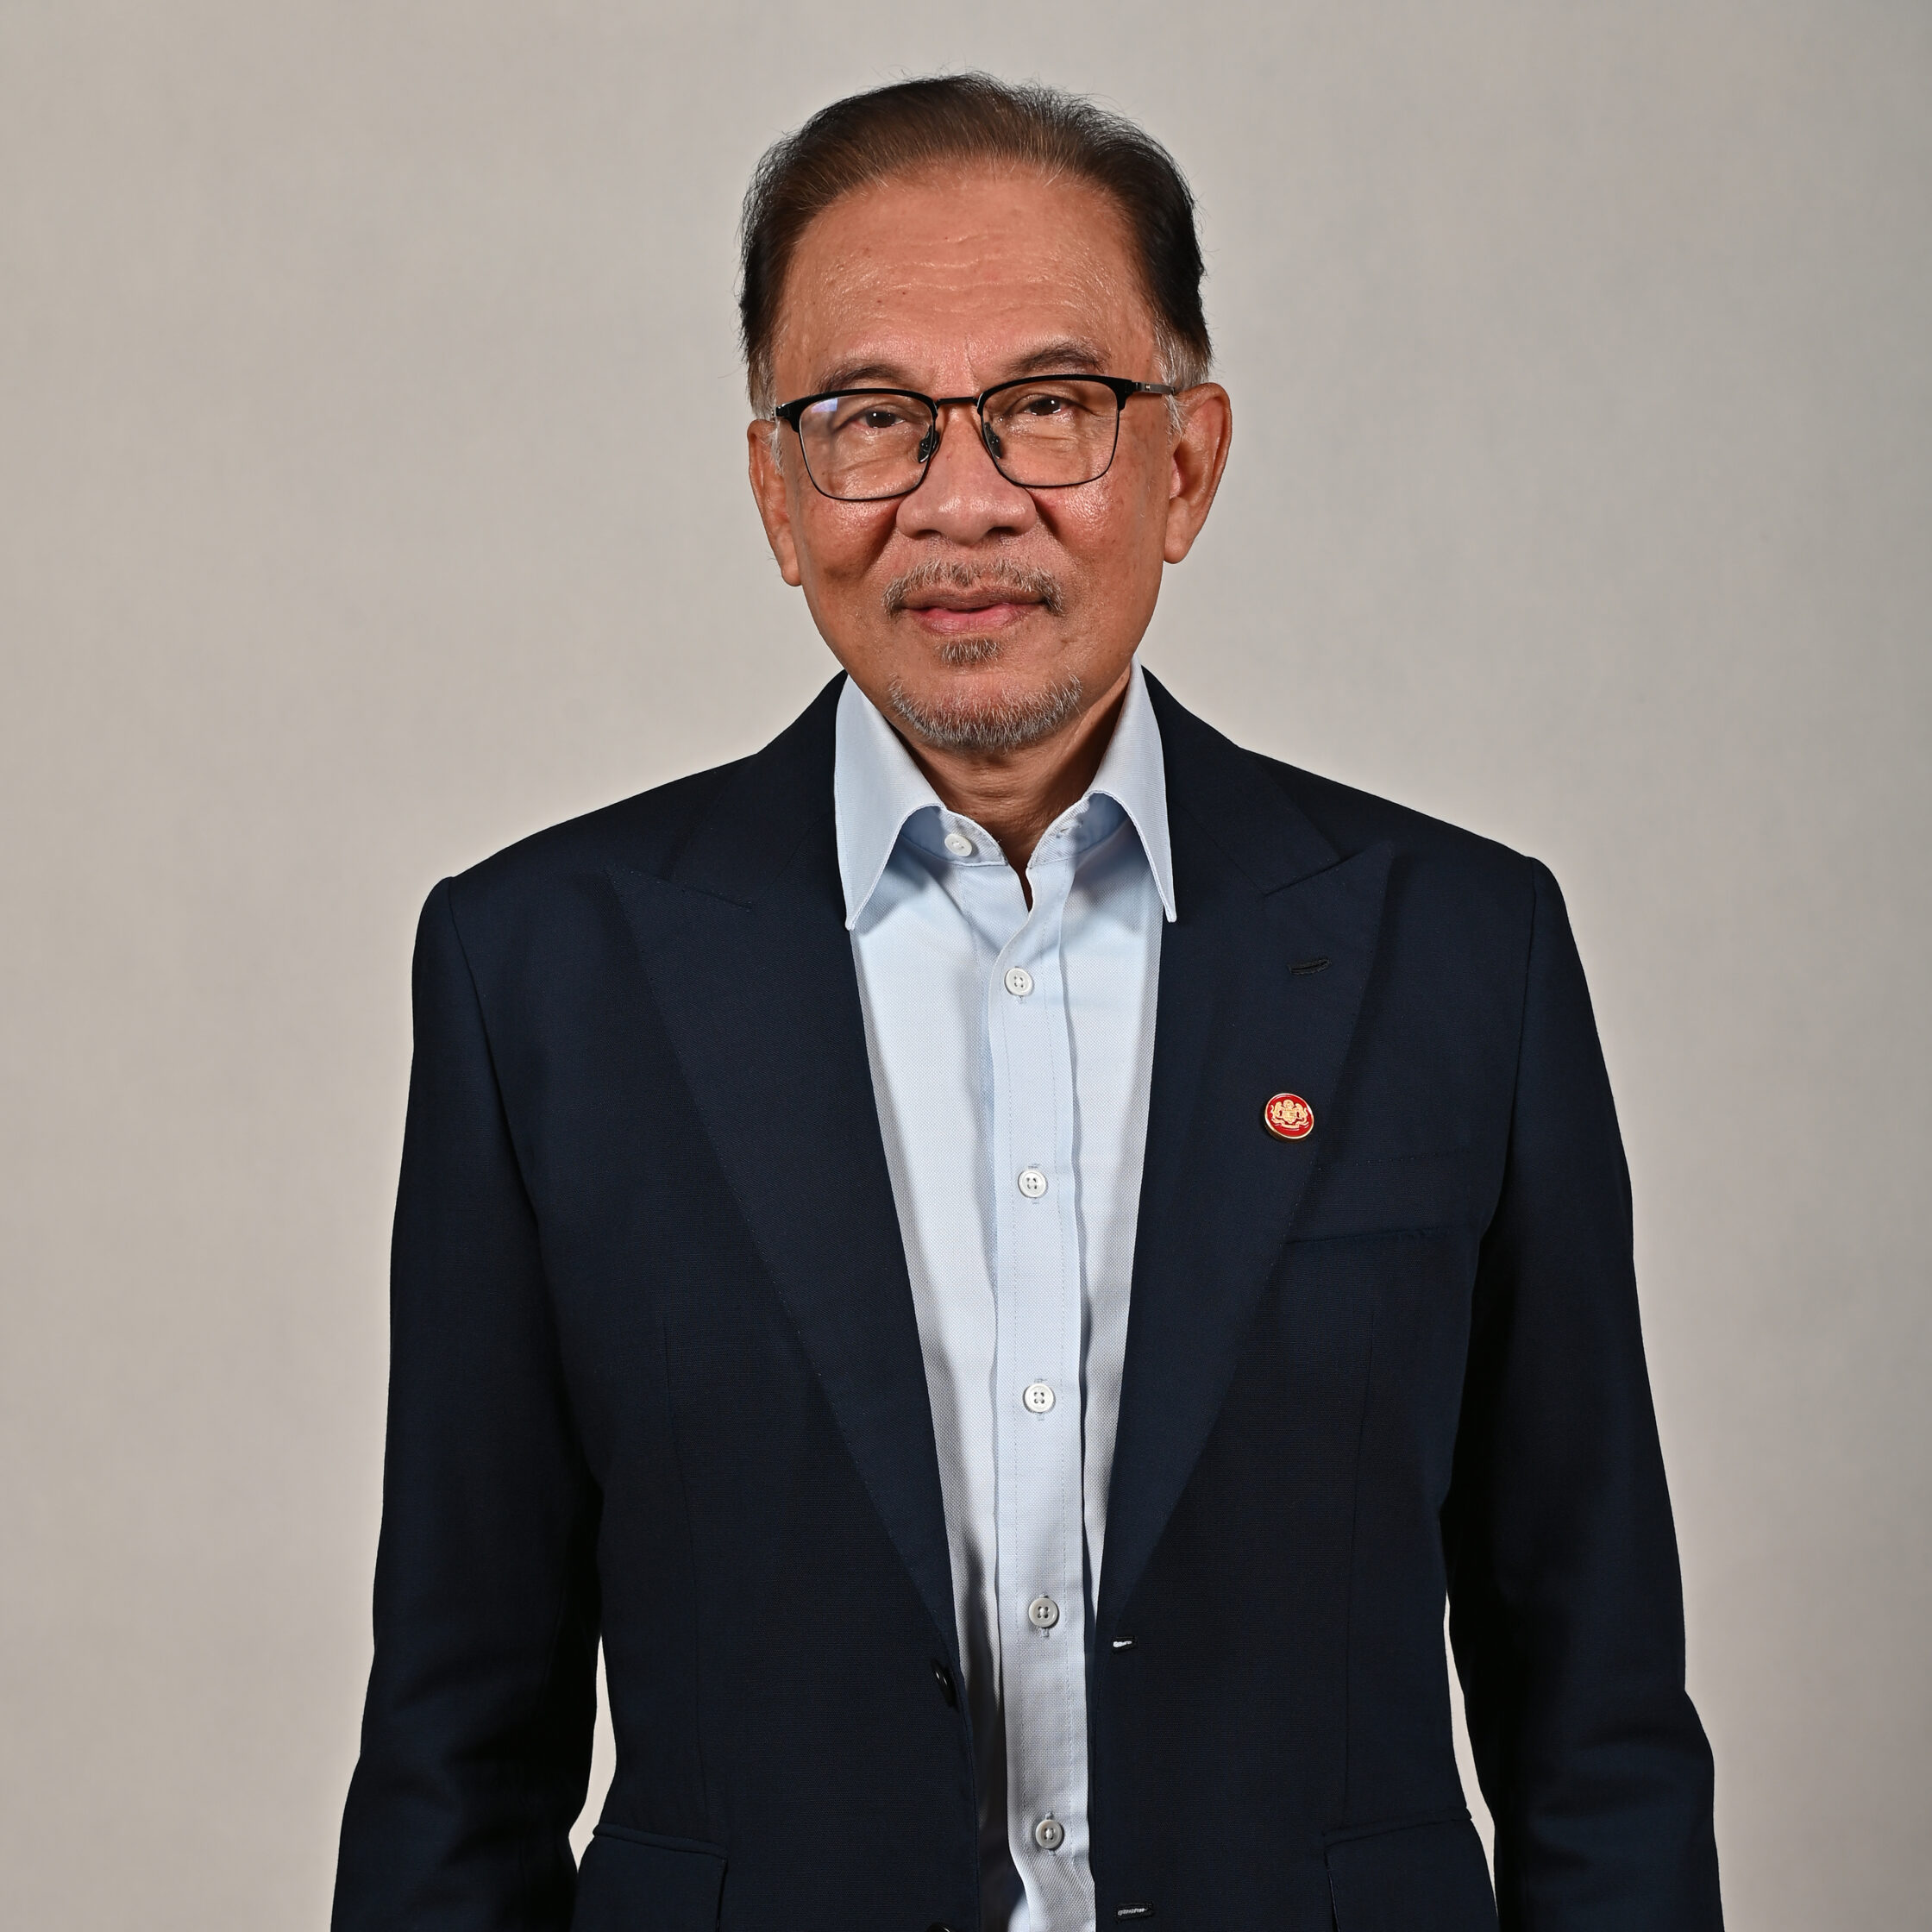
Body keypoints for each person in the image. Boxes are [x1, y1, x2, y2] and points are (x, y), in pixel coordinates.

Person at [331, 74, 1722, 1932]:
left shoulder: (1461, 953)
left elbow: (1596, 1715)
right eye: (869, 418)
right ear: (772, 485)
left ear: (1189, 461)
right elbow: (456, 1743)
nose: (961, 500)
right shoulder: (545, 974)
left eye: (1050, 407)